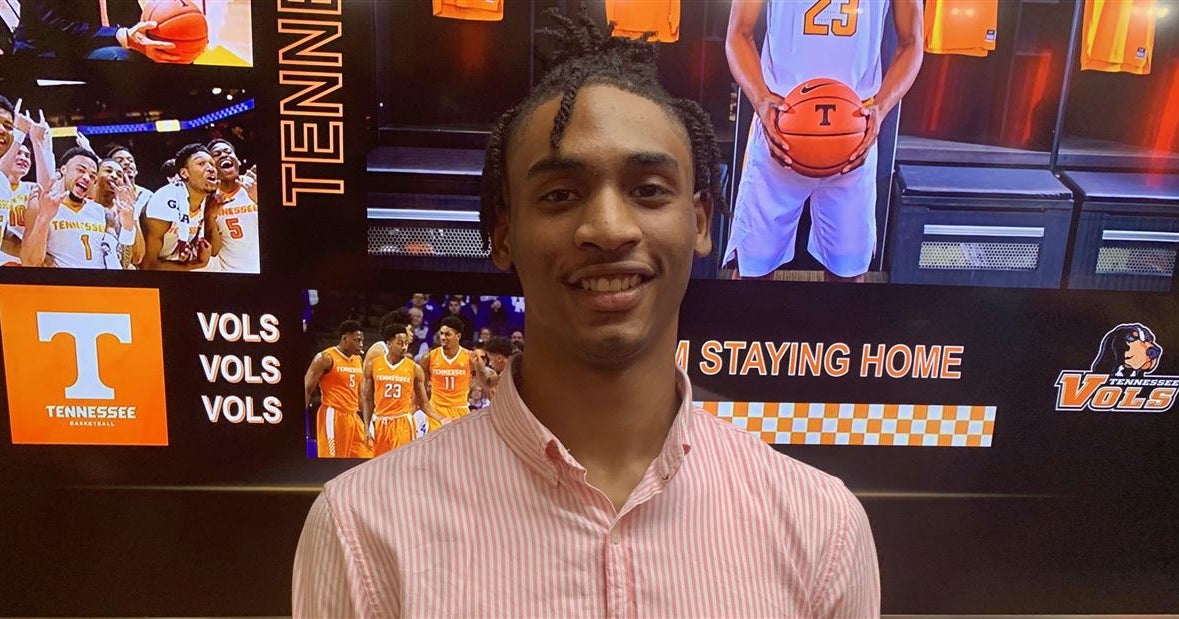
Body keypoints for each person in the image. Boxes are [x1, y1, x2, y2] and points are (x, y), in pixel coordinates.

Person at [294, 8, 879, 617]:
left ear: (701, 221)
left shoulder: (822, 530)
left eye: (649, 190)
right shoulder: (363, 530)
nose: (607, 228)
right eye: (560, 195)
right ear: (502, 234)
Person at [724, 0, 923, 281]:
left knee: (848, 274)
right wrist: (760, 98)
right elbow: (738, 33)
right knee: (752, 273)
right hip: (780, 126)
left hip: (854, 130)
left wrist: (880, 107)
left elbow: (912, 42)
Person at [360, 322, 439, 457]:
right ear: (389, 343)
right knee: (381, 464)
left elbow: (424, 403)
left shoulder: (415, 368)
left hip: (402, 422)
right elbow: (367, 400)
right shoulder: (373, 365)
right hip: (380, 422)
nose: (404, 347)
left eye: (406, 343)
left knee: (400, 463)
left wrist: (441, 419)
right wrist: (366, 427)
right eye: (400, 343)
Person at [13, 0, 182, 62]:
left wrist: (148, 40)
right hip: (44, 54)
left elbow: (131, 21)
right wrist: (120, 36)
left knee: (163, 54)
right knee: (121, 56)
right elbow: (53, 28)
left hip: (90, 45)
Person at [140, 143, 220, 271]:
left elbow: (214, 251)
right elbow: (148, 266)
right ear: (184, 173)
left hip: (177, 269)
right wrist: (196, 264)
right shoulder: (162, 204)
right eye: (201, 163)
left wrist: (210, 217)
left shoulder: (209, 199)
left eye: (212, 164)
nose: (211, 169)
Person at [303, 320, 368, 459]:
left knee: (366, 456)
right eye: (357, 340)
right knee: (334, 461)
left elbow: (359, 394)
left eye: (362, 340)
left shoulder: (358, 360)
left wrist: (368, 418)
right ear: (345, 339)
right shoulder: (325, 358)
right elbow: (307, 388)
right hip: (333, 414)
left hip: (353, 416)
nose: (361, 344)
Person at [198, 138, 259, 273]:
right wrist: (210, 216)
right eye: (217, 154)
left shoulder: (255, 185)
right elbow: (213, 250)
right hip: (231, 275)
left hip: (264, 272)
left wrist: (259, 201)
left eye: (228, 151)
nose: (224, 155)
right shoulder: (207, 199)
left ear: (237, 160)